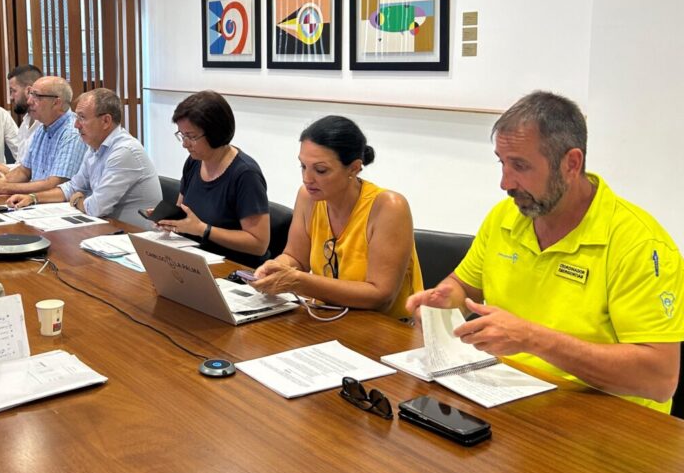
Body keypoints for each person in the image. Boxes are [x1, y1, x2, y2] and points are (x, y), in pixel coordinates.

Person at [406, 91, 683, 413]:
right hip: (508, 397)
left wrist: (532, 339)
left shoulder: (638, 243)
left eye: (520, 166)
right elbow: (462, 285)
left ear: (571, 164)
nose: (505, 182)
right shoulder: (506, 217)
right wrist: (444, 298)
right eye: (502, 162)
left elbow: (659, 380)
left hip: (606, 419)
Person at [251, 116, 423, 321]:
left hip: (387, 328)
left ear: (354, 168)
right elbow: (296, 258)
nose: (307, 178)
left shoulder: (389, 207)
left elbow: (380, 296)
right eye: (303, 166)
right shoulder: (308, 197)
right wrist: (275, 268)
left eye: (320, 170)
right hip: (330, 317)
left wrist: (300, 282)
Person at [7, 88, 161, 227]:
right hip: (108, 229)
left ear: (106, 121)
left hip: (135, 237)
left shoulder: (124, 152)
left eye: (81, 118)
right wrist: (33, 198)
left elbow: (96, 208)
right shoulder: (95, 147)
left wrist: (77, 200)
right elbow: (73, 187)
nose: (76, 125)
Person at [159, 90, 270, 267]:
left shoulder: (246, 174)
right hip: (196, 260)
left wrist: (203, 230)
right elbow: (182, 212)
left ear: (215, 133)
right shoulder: (194, 162)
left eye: (191, 137)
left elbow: (258, 244)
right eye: (182, 135)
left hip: (234, 268)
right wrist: (167, 219)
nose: (185, 144)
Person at [0, 76, 87, 195]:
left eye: (36, 96)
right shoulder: (42, 128)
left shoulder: (72, 132)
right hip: (37, 199)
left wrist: (5, 187)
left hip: (56, 201)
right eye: (31, 94)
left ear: (56, 102)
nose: (29, 101)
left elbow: (55, 184)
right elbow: (24, 171)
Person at [7, 64, 44, 166]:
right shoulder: (25, 123)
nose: (11, 97)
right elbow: (20, 165)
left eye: (13, 91)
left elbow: (38, 170)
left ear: (29, 91)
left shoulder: (47, 124)